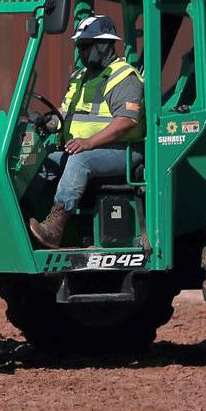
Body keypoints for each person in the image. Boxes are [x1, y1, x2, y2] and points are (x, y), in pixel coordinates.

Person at [28, 14, 145, 249]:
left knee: (80, 160)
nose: (80, 51)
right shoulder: (80, 76)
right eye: (79, 46)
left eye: (85, 46)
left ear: (103, 45)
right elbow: (67, 111)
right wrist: (48, 122)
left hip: (123, 151)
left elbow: (125, 121)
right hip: (85, 147)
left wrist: (89, 142)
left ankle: (55, 226)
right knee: (36, 160)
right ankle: (24, 217)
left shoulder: (124, 76)